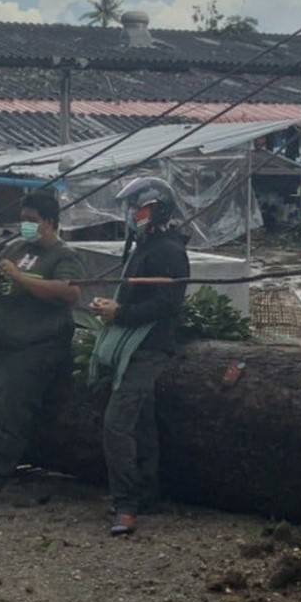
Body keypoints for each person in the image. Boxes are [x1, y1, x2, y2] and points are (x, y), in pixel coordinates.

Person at [0, 191, 84, 507]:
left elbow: (69, 293)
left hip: (32, 350)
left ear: (50, 222)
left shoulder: (64, 256)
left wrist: (21, 278)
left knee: (8, 414)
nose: (26, 226)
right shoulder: (16, 247)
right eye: (23, 220)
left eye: (32, 221)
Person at [87, 178, 191, 537]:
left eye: (139, 208)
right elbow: (134, 296)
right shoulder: (145, 246)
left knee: (117, 424)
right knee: (142, 423)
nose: (133, 215)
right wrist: (112, 308)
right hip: (133, 343)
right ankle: (147, 492)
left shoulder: (169, 250)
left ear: (158, 209)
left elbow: (167, 304)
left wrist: (122, 314)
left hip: (149, 348)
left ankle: (126, 504)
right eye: (132, 209)